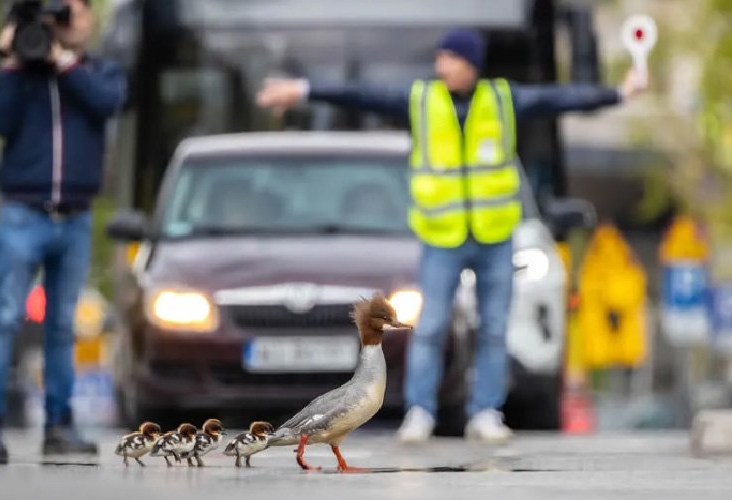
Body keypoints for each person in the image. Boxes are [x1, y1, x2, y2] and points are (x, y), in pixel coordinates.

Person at [256, 28, 646, 444]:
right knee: (430, 326)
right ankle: (420, 411)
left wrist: (619, 94)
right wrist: (303, 90)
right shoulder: (423, 98)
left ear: (470, 63)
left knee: (495, 327)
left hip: (495, 236)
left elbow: (557, 99)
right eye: (440, 57)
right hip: (442, 237)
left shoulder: (501, 99)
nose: (441, 65)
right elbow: (363, 95)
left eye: (450, 58)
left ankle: (485, 413)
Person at [0, 0, 126, 463]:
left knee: (63, 326)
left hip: (76, 216)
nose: (66, 23)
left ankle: (59, 425)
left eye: (74, 13)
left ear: (88, 20)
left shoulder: (100, 71)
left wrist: (63, 64)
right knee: (5, 317)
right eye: (56, 16)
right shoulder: (24, 74)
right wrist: (9, 64)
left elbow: (106, 104)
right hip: (23, 212)